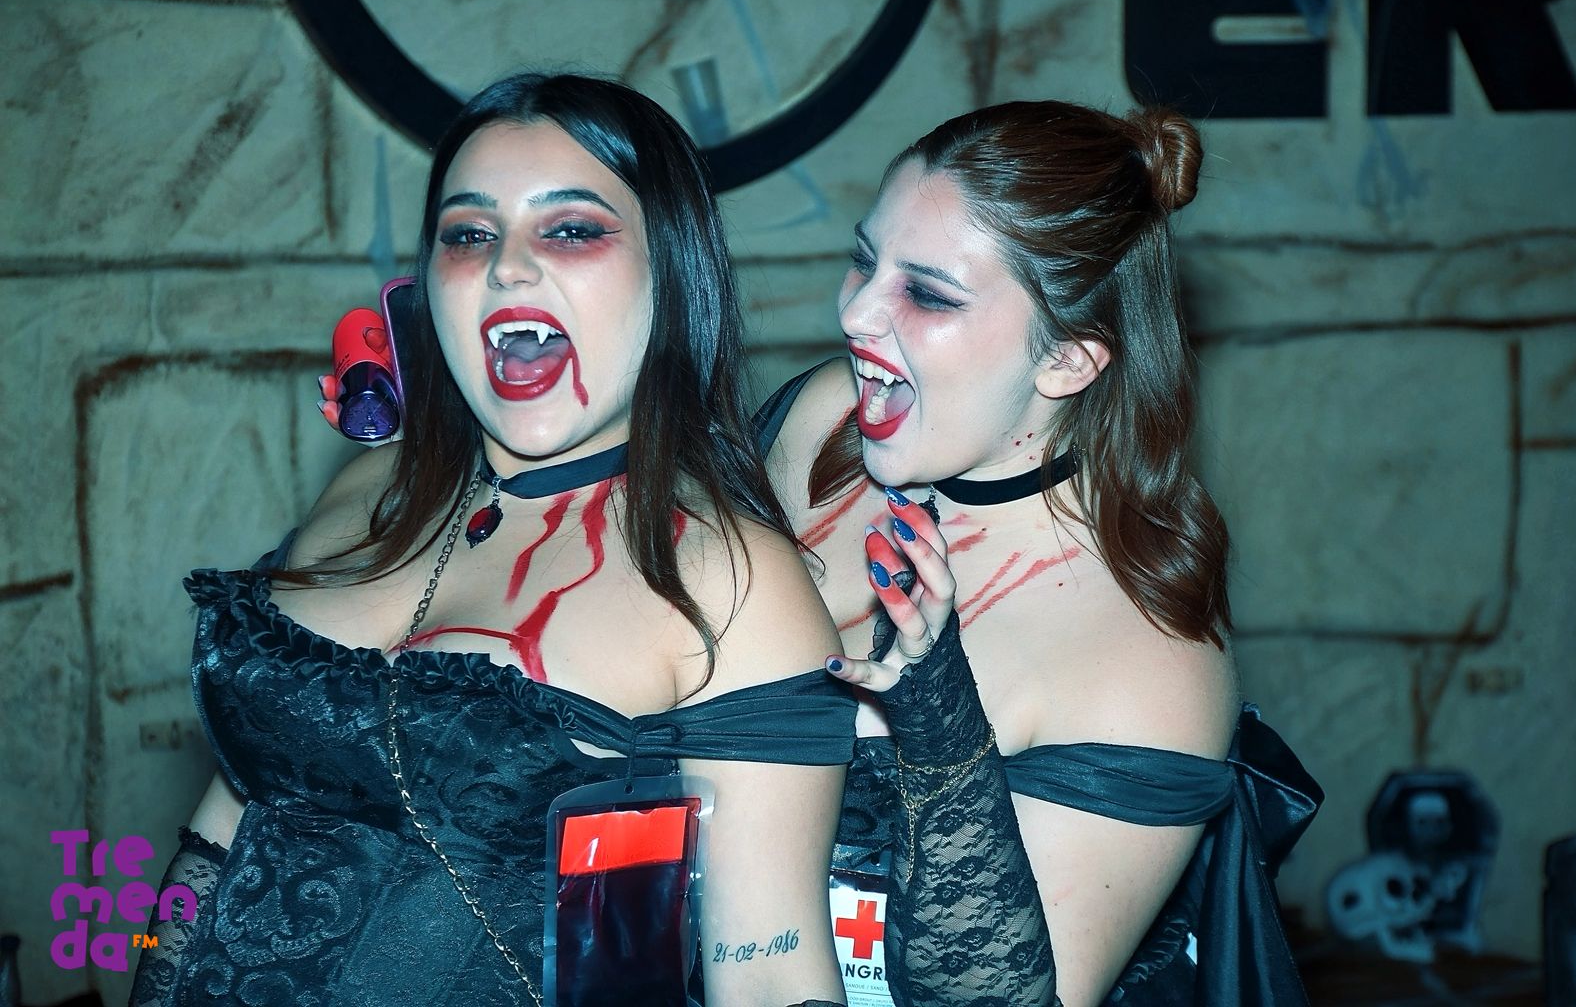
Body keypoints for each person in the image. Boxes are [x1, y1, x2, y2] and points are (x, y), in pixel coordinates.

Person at [132, 73, 854, 1007]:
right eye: (469, 235)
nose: (507, 266)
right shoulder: (368, 484)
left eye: (571, 229)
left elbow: (772, 980)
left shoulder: (730, 581)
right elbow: (222, 832)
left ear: (672, 273)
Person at [751, 99, 1321, 1005]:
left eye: (928, 294)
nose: (856, 312)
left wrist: (941, 724)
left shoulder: (1148, 660)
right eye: (865, 258)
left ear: (1068, 361)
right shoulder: (821, 422)